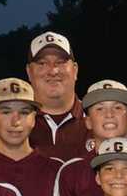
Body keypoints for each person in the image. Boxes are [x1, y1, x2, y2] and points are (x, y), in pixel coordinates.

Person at [25, 31, 87, 161]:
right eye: (42, 63)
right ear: (29, 72)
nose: (53, 71)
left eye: (60, 62)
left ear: (75, 70)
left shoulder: (99, 120)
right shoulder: (13, 125)